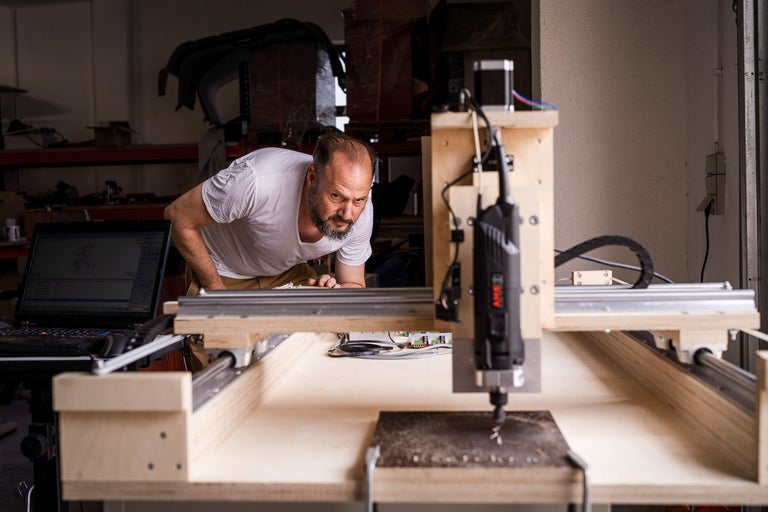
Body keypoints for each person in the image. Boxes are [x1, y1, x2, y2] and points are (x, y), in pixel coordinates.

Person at [165, 132, 378, 295]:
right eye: (336, 196)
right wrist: (214, 287)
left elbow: (352, 285)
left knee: (312, 348)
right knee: (221, 349)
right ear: (312, 178)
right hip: (224, 271)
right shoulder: (257, 181)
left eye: (358, 199)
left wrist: (334, 292)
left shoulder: (361, 212)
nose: (347, 214)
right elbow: (177, 215)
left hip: (286, 273)